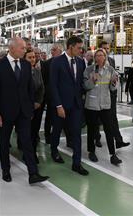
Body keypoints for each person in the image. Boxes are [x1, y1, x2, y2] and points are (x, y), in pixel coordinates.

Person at [0, 37, 49, 184]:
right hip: (5, 112)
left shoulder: (26, 65)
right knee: (4, 142)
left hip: (23, 112)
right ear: (12, 48)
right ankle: (6, 170)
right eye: (22, 48)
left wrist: (29, 109)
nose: (25, 50)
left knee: (27, 142)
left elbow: (29, 89)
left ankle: (33, 173)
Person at [50, 36, 89, 176]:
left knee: (77, 134)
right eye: (79, 47)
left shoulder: (80, 62)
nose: (81, 50)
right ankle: (54, 150)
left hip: (76, 104)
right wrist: (58, 105)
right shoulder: (57, 62)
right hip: (61, 104)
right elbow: (53, 85)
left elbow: (80, 83)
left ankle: (76, 163)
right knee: (57, 129)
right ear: (70, 46)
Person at [83, 49, 122, 165]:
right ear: (94, 58)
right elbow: (85, 86)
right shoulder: (88, 70)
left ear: (105, 57)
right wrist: (92, 80)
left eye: (102, 55)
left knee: (109, 130)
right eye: (97, 55)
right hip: (92, 105)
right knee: (92, 129)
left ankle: (112, 155)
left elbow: (113, 88)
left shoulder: (110, 70)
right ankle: (91, 151)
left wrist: (114, 83)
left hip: (105, 104)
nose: (100, 57)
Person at [99, 41, 130, 148]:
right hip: (99, 95)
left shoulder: (111, 60)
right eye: (104, 48)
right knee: (99, 118)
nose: (106, 51)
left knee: (113, 117)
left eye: (108, 49)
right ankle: (97, 138)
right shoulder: (94, 62)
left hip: (111, 94)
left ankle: (118, 140)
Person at [41, 43, 66, 144]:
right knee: (49, 117)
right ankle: (47, 136)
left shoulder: (65, 62)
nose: (52, 51)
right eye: (51, 50)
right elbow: (45, 80)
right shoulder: (47, 63)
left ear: (60, 50)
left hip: (63, 95)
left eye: (54, 49)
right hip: (50, 96)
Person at [25, 48, 45, 163]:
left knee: (34, 131)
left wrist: (38, 102)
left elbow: (42, 88)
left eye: (33, 57)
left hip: (37, 107)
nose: (32, 59)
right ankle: (28, 154)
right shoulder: (21, 72)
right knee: (26, 131)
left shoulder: (37, 71)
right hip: (26, 107)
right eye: (30, 57)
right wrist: (29, 104)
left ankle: (32, 152)